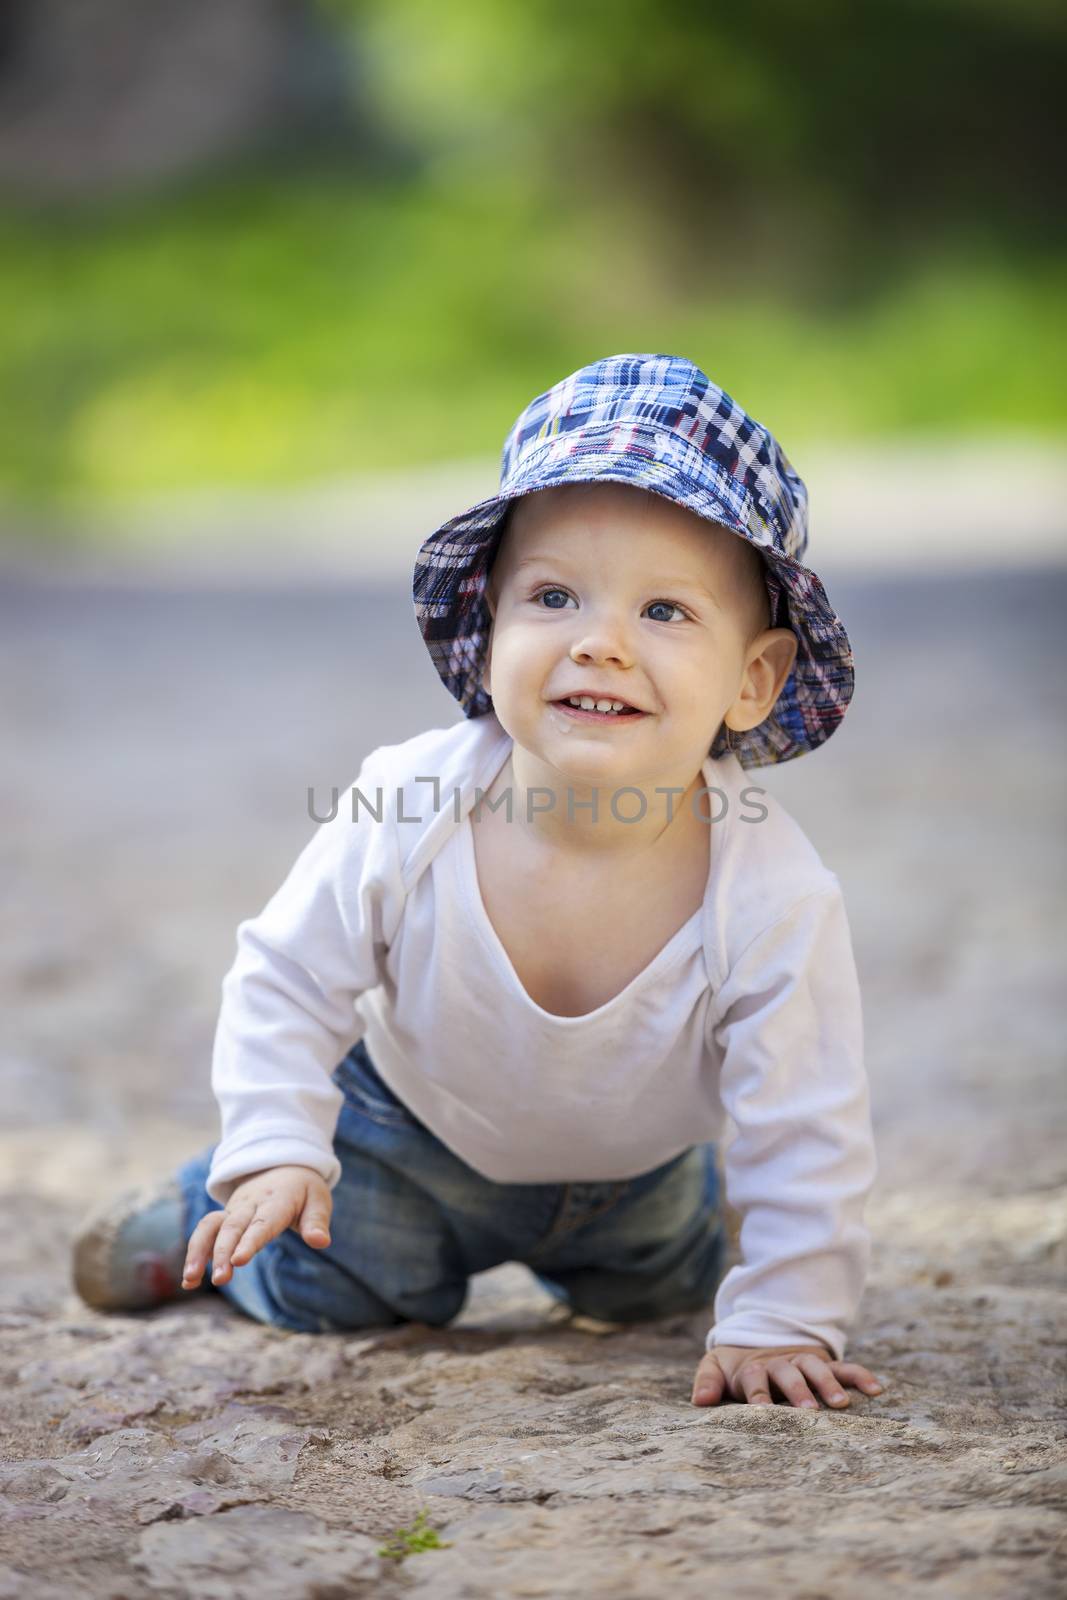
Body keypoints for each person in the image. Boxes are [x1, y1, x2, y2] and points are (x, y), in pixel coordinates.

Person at [72, 353, 886, 1413]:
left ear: (753, 679)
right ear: (490, 622)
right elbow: (284, 975)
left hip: (632, 1178)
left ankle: (674, 1237)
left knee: (671, 1295)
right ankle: (207, 1209)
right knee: (338, 1281)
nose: (599, 642)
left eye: (665, 612)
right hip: (406, 1136)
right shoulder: (411, 801)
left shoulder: (771, 891)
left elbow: (806, 1112)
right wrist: (278, 1144)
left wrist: (783, 1315)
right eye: (553, 596)